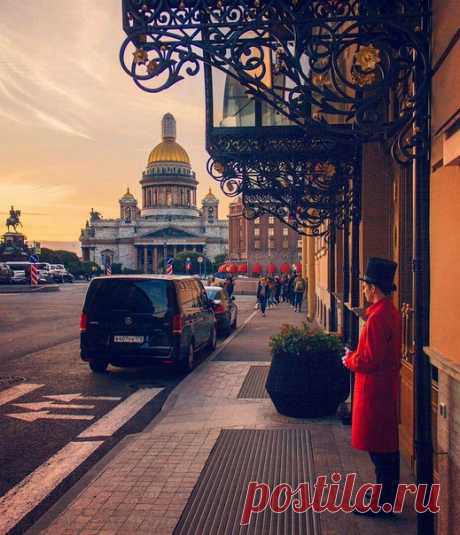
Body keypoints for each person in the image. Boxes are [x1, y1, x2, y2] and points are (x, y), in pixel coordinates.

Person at [342, 257, 401, 516]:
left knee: (380, 451)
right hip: (383, 388)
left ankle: (383, 504)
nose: (364, 290)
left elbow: (369, 359)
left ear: (373, 288)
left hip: (374, 390)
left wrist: (349, 359)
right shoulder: (389, 311)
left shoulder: (377, 317)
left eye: (365, 286)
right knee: (384, 447)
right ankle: (384, 495)